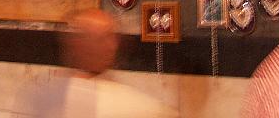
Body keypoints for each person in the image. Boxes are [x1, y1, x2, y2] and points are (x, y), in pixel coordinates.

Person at [16, 8, 178, 118]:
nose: (112, 45)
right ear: (77, 45)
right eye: (103, 38)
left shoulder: (39, 94)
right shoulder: (135, 107)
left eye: (112, 37)